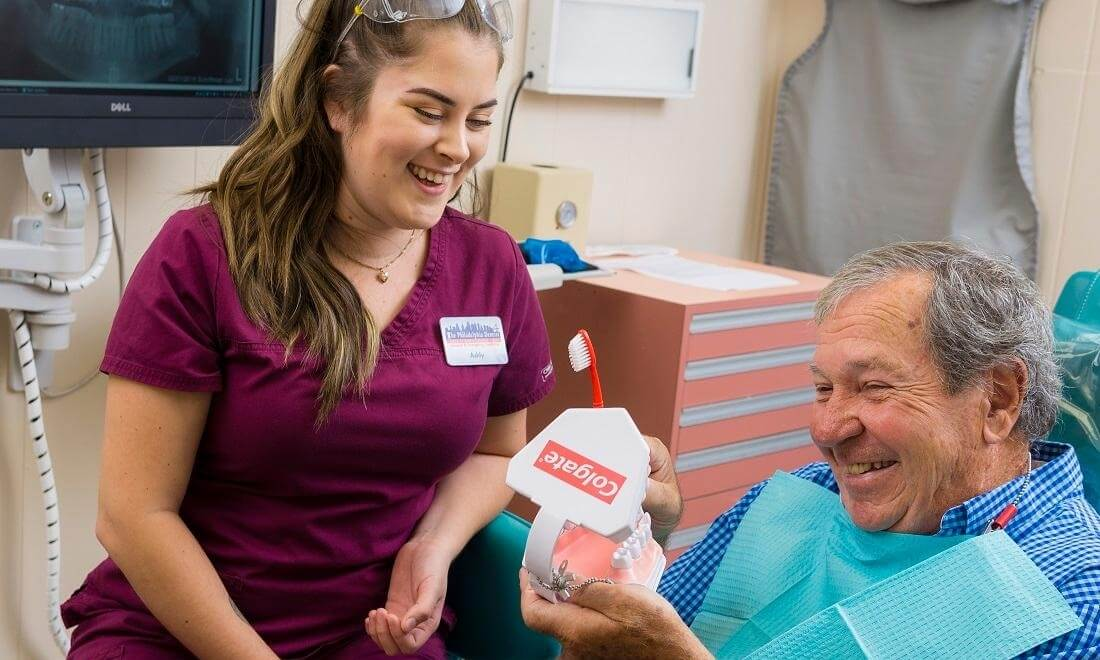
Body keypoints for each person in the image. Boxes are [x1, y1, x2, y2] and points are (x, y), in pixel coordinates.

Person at [60, 1, 552, 658]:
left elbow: (497, 451)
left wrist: (434, 545)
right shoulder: (207, 253)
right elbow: (133, 516)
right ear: (337, 101)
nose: (458, 147)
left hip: (373, 633)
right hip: (179, 628)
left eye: (479, 120)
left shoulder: (490, 265)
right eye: (428, 112)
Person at [521, 242, 1100, 659]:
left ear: (997, 399)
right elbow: (640, 630)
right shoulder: (798, 497)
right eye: (823, 388)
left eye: (875, 387)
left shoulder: (1072, 600)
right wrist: (632, 541)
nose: (827, 430)